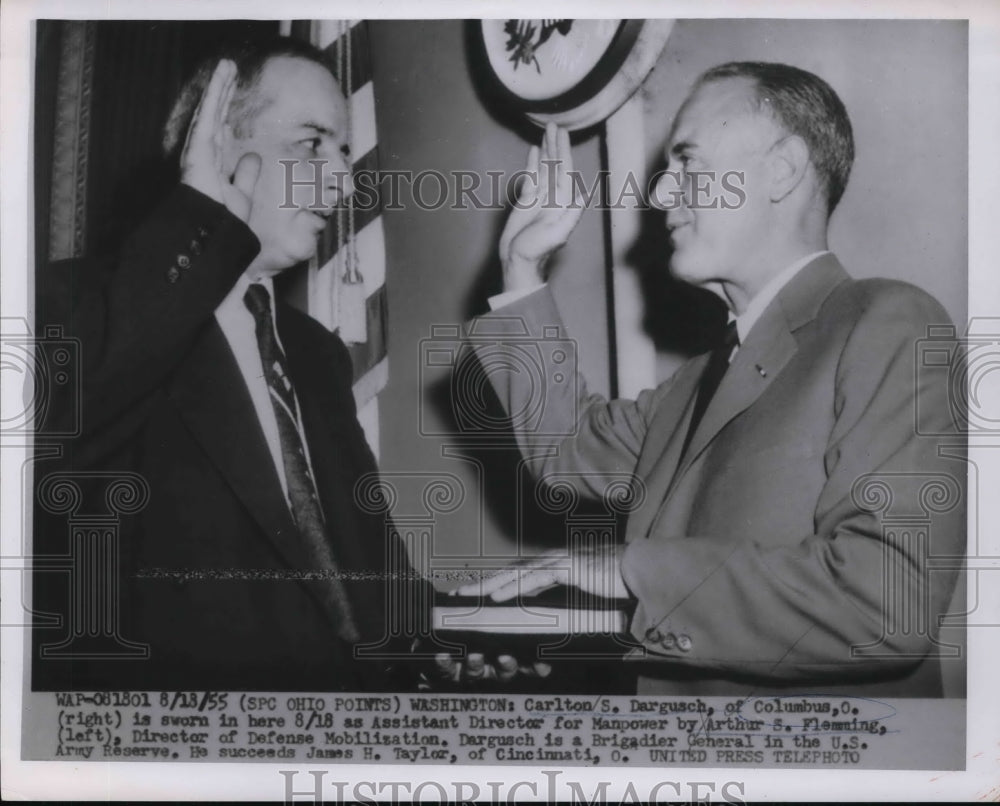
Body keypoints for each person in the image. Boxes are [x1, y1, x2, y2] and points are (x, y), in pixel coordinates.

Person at [461, 62, 965, 697]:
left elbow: (887, 604)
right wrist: (521, 267)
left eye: (688, 163)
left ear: (782, 169)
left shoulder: (886, 321)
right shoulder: (696, 382)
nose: (662, 194)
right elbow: (563, 452)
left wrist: (632, 571)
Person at [32, 37, 433, 692]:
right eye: (311, 145)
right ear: (218, 143)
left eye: (341, 151)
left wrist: (435, 644)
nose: (343, 178)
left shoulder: (316, 352)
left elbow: (370, 565)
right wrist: (197, 220)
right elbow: (49, 442)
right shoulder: (75, 305)